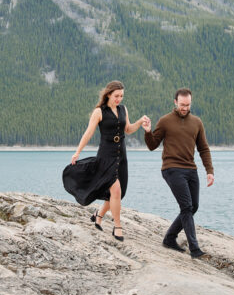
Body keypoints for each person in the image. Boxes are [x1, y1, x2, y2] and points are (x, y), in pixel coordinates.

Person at [62, 81, 147, 241]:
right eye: (116, 96)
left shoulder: (123, 109)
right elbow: (88, 133)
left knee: (117, 194)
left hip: (121, 156)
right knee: (115, 190)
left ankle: (98, 215)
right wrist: (77, 152)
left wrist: (140, 122)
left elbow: (128, 129)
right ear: (108, 94)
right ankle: (117, 227)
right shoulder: (99, 112)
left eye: (121, 96)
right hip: (106, 156)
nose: (119, 99)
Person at [142, 88, 214, 258]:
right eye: (182, 105)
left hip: (191, 169)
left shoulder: (197, 122)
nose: (185, 108)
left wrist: (209, 171)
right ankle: (194, 249)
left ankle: (169, 238)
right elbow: (152, 145)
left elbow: (203, 148)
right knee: (186, 206)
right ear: (175, 102)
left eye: (188, 105)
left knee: (193, 206)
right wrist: (147, 131)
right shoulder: (165, 121)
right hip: (171, 168)